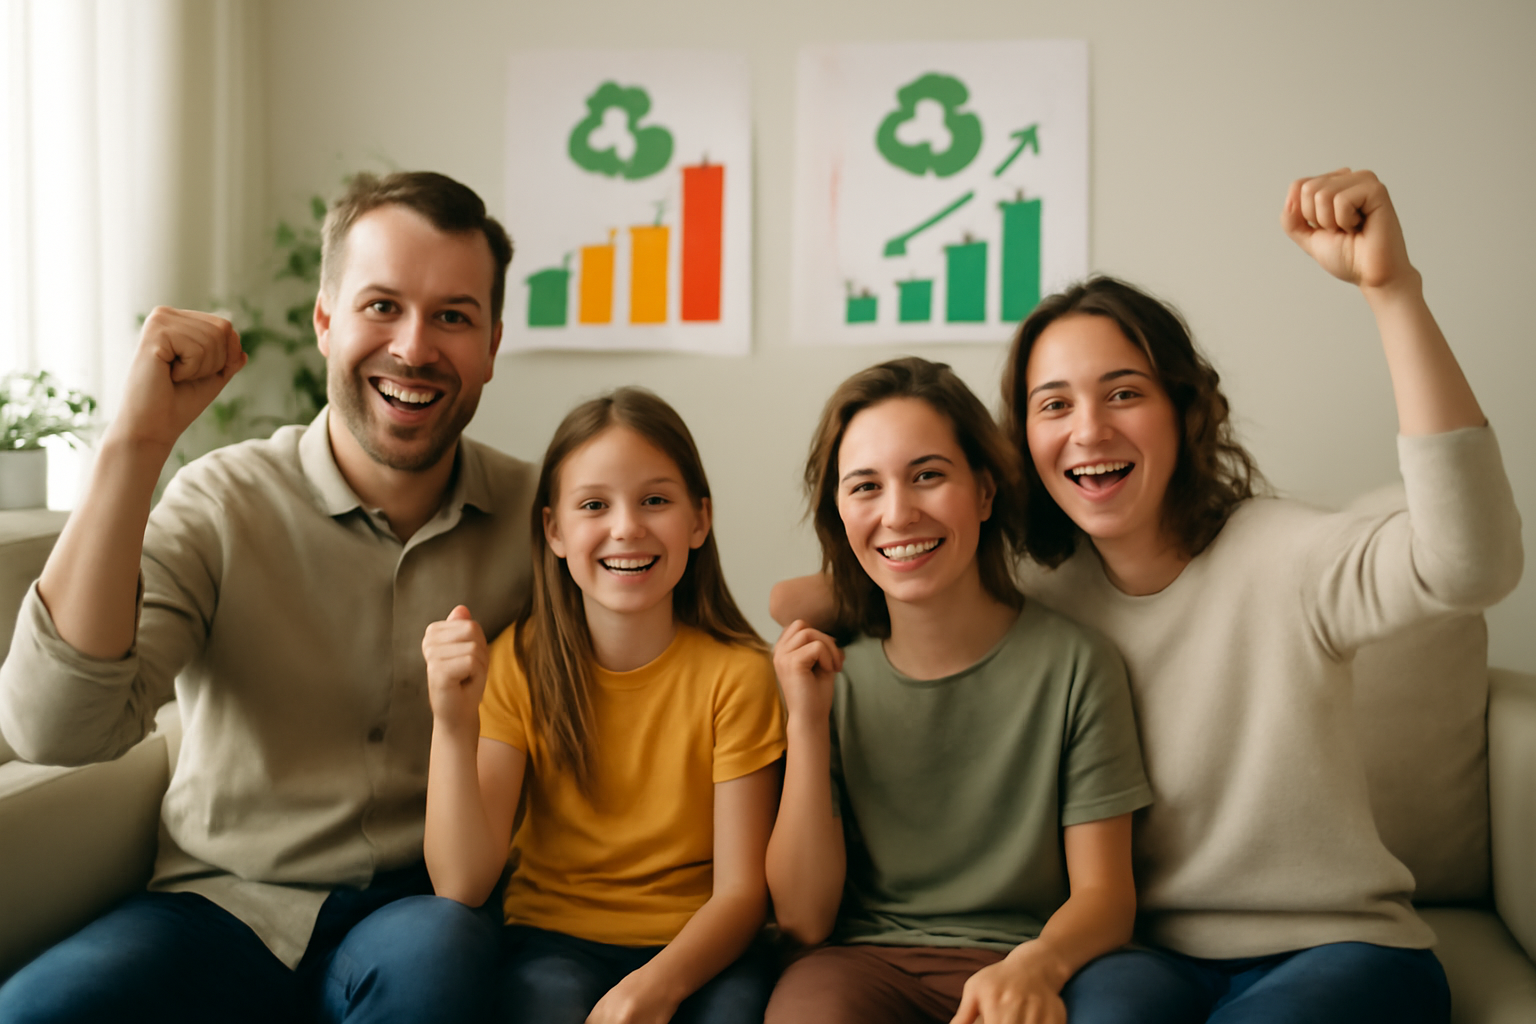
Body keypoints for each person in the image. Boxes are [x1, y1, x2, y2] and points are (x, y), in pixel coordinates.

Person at [775, 169, 1523, 1023]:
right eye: (1054, 404)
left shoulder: (1286, 556)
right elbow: (824, 591)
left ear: (1184, 408)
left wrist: (1392, 292)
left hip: (1336, 945)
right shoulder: (1036, 587)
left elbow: (1473, 564)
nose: (1089, 429)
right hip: (1142, 960)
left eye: (1123, 393)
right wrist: (868, 578)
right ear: (1022, 444)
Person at [0, 171, 535, 1023]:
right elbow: (54, 729)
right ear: (325, 321)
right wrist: (136, 445)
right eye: (382, 306)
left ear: (493, 345)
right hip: (217, 904)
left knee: (442, 955)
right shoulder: (220, 501)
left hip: (420, 912)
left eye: (454, 316)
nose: (414, 347)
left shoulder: (541, 521)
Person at [765, 357, 1153, 1024]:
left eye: (927, 476)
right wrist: (806, 723)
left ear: (983, 490)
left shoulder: (1075, 664)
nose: (897, 513)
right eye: (864, 487)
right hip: (866, 963)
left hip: (1034, 955)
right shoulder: (826, 680)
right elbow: (802, 919)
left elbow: (1106, 895)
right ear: (837, 510)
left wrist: (1034, 966)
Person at [421, 386, 785, 1024]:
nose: (627, 527)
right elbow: (462, 883)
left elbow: (740, 893)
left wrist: (652, 989)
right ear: (554, 530)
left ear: (699, 520)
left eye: (655, 500)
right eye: (595, 504)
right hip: (551, 944)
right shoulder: (519, 663)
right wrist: (453, 726)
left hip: (703, 946)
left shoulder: (741, 676)